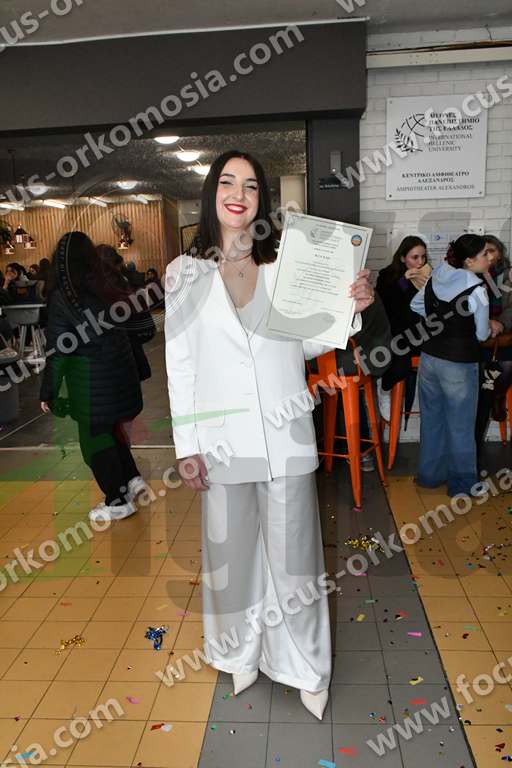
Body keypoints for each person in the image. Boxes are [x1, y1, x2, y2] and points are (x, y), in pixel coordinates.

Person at [165, 150, 374, 720]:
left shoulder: (284, 265)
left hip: (285, 436)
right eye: (228, 182)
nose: (239, 194)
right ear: (211, 193)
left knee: (295, 560)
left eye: (251, 186)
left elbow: (308, 341)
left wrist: (351, 307)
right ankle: (239, 653)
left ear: (262, 200)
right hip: (221, 441)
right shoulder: (184, 273)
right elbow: (180, 364)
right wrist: (186, 446)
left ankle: (306, 666)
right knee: (231, 559)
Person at [40, 232, 146, 522]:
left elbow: (58, 352)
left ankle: (117, 502)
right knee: (110, 431)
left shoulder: (63, 297)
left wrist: (47, 392)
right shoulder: (105, 284)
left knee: (95, 442)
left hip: (92, 384)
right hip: (122, 375)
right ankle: (132, 480)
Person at [411, 234, 490, 497]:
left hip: (429, 358)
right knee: (461, 426)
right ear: (469, 261)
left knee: (432, 420)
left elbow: (416, 304)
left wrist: (439, 321)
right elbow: (481, 335)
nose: (488, 259)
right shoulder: (477, 290)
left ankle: (430, 477)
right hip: (459, 363)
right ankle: (462, 485)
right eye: (484, 254)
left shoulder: (437, 276)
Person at [376, 236, 431, 419]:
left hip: (421, 332)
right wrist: (404, 280)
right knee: (400, 366)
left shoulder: (428, 275)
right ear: (402, 258)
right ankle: (384, 390)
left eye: (423, 257)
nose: (420, 262)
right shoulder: (387, 275)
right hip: (395, 333)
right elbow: (385, 303)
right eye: (415, 257)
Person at [97, 244, 156, 384]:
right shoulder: (129, 285)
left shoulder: (92, 290)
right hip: (130, 360)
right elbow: (147, 329)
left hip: (105, 366)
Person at [475, 235, 512, 448]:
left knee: (507, 363)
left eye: (492, 251)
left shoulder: (507, 275)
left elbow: (511, 308)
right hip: (478, 338)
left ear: (499, 253)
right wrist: (485, 323)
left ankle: (498, 396)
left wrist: (500, 324)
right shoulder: (471, 274)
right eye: (484, 252)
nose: (489, 256)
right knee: (481, 380)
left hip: (503, 337)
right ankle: (490, 400)